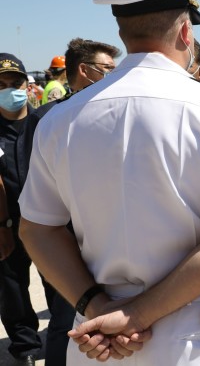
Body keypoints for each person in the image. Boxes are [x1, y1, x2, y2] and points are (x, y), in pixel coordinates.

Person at [18, 0, 200, 365]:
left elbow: (37, 228)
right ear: (185, 32)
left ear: (122, 34)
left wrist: (97, 306)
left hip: (97, 340)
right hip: (193, 342)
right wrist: (133, 315)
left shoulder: (61, 119)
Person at [13, 38, 122, 366]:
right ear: (85, 70)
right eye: (107, 69)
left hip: (109, 234)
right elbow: (34, 181)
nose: (114, 76)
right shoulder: (48, 117)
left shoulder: (117, 110)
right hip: (65, 236)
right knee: (66, 319)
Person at [0, 53, 40, 366]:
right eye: (1, 85)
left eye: (15, 83)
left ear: (26, 85)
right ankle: (25, 346)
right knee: (12, 291)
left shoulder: (46, 125)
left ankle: (61, 338)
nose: (10, 90)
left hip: (48, 225)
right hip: (6, 226)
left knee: (59, 286)